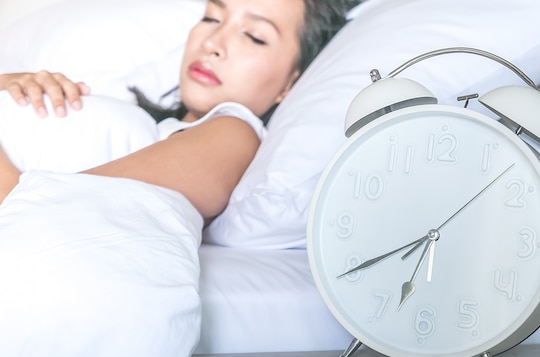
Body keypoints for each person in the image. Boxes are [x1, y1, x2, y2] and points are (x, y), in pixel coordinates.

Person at [0, 0, 358, 223]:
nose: (213, 43)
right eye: (212, 17)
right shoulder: (146, 122)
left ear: (289, 84)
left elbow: (34, 214)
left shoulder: (234, 134)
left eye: (254, 36)